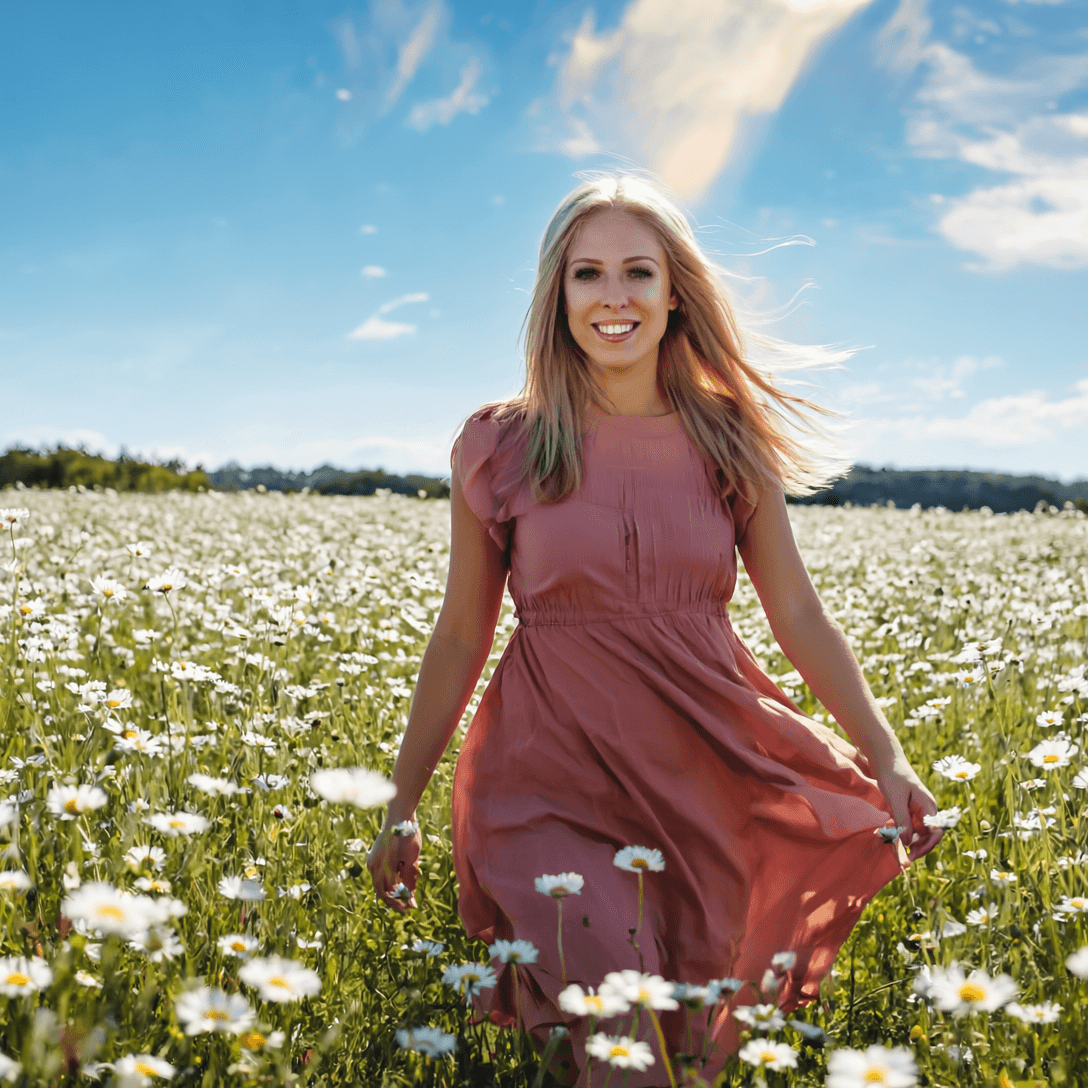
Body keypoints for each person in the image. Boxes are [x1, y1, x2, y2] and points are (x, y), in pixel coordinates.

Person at [368, 173, 944, 1088]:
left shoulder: (729, 438)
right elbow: (458, 636)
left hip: (697, 777)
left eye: (638, 272)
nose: (615, 297)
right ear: (558, 295)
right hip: (546, 779)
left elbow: (797, 611)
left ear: (675, 292)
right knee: (619, 1026)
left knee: (675, 1050)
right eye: (588, 274)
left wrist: (888, 755)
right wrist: (402, 802)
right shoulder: (501, 444)